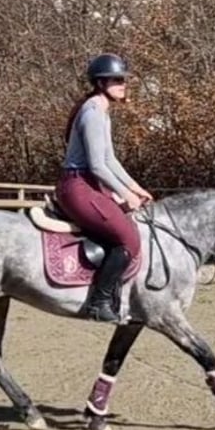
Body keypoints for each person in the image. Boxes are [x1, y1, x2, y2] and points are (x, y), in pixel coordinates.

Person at [55, 53, 153, 324]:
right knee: (129, 240)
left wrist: (135, 187)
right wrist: (127, 196)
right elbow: (98, 166)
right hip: (78, 185)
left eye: (124, 80)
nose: (124, 84)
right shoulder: (93, 111)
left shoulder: (101, 110)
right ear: (100, 83)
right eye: (117, 80)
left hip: (87, 182)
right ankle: (98, 303)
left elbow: (110, 160)